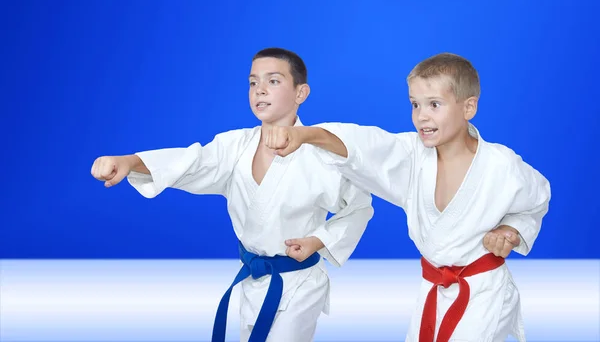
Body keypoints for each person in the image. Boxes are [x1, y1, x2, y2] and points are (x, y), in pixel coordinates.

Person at [90, 47, 374, 342]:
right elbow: (190, 162)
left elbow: (359, 208)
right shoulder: (235, 146)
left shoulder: (322, 152)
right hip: (253, 279)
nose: (260, 90)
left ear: (301, 93)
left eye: (273, 81)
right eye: (253, 83)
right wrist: (129, 162)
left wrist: (318, 241)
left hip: (299, 283)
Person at [262, 52, 551, 342]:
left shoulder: (501, 165)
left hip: (484, 292)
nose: (421, 115)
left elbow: (537, 199)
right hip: (433, 288)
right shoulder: (413, 156)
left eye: (434, 104)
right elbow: (365, 145)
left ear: (469, 107)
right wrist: (305, 135)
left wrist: (510, 230)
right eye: (415, 104)